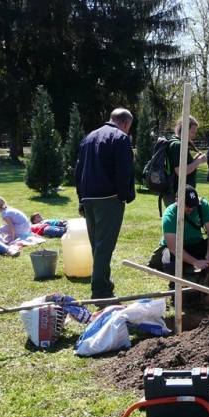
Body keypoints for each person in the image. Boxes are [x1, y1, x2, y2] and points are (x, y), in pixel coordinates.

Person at [74, 108, 136, 299]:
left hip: (89, 196)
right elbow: (124, 170)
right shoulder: (121, 138)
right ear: (126, 124)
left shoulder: (89, 137)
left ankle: (104, 281)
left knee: (97, 244)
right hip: (109, 198)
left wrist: (81, 198)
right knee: (104, 245)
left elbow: (78, 170)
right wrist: (124, 195)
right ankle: (99, 288)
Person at [160, 185, 209, 277]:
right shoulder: (170, 214)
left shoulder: (203, 205)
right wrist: (195, 262)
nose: (191, 208)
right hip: (179, 248)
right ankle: (185, 273)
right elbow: (173, 247)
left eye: (193, 205)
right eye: (187, 206)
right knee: (170, 265)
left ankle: (207, 272)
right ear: (177, 201)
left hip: (197, 244)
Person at [162, 116, 208, 210]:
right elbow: (180, 171)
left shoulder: (177, 143)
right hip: (176, 193)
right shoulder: (177, 145)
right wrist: (199, 161)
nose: (194, 135)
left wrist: (195, 160)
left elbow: (182, 166)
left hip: (179, 192)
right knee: (179, 223)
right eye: (192, 132)